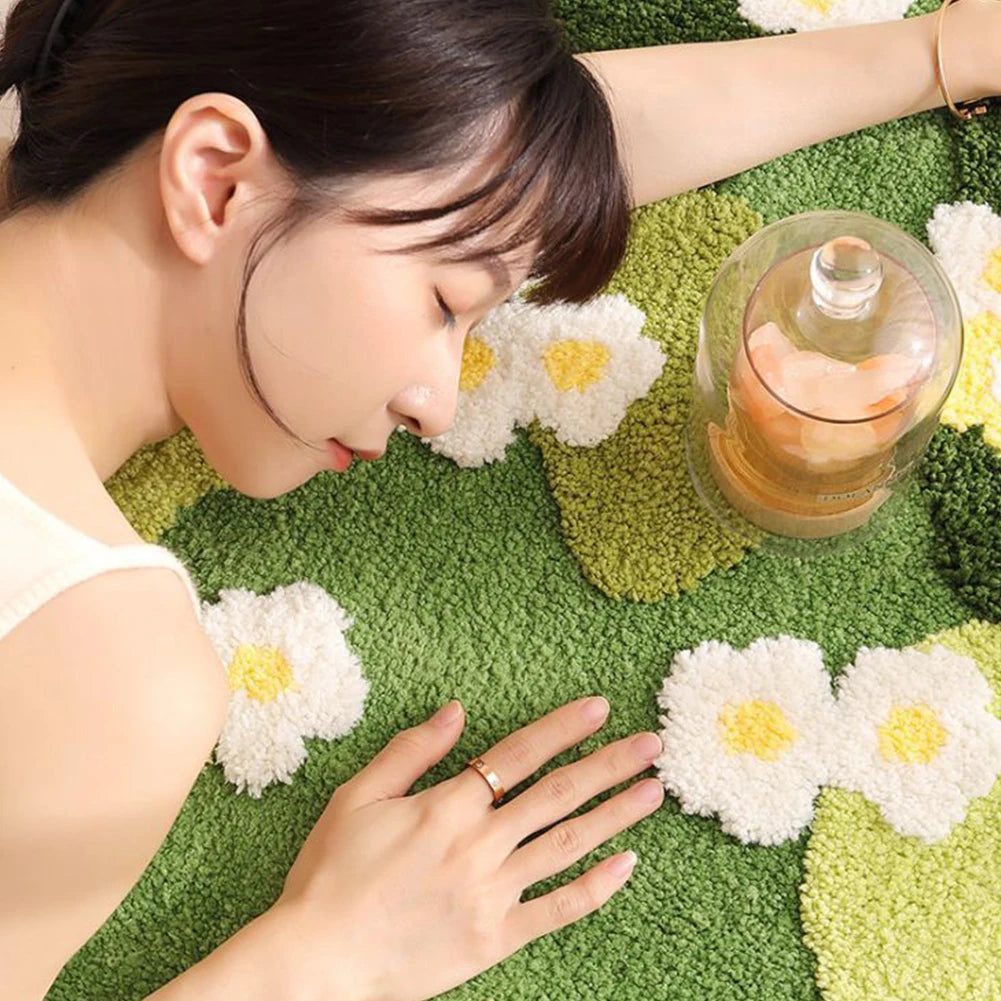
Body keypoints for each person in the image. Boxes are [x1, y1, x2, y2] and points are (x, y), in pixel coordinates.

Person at [0, 0, 997, 998]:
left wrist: (937, 51)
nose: (439, 402)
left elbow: (442, 155)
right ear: (212, 178)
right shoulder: (97, 663)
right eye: (443, 304)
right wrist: (317, 960)